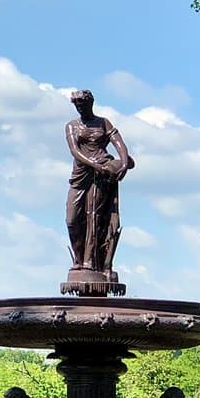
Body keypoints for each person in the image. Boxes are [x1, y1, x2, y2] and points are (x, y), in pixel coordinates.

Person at [65, 89, 134, 278]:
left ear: (90, 104)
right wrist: (93, 164)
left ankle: (91, 263)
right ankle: (78, 261)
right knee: (72, 220)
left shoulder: (103, 122)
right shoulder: (72, 126)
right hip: (82, 174)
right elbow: (75, 151)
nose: (80, 108)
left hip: (102, 173)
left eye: (83, 104)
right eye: (77, 105)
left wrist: (124, 164)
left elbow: (119, 144)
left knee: (94, 216)